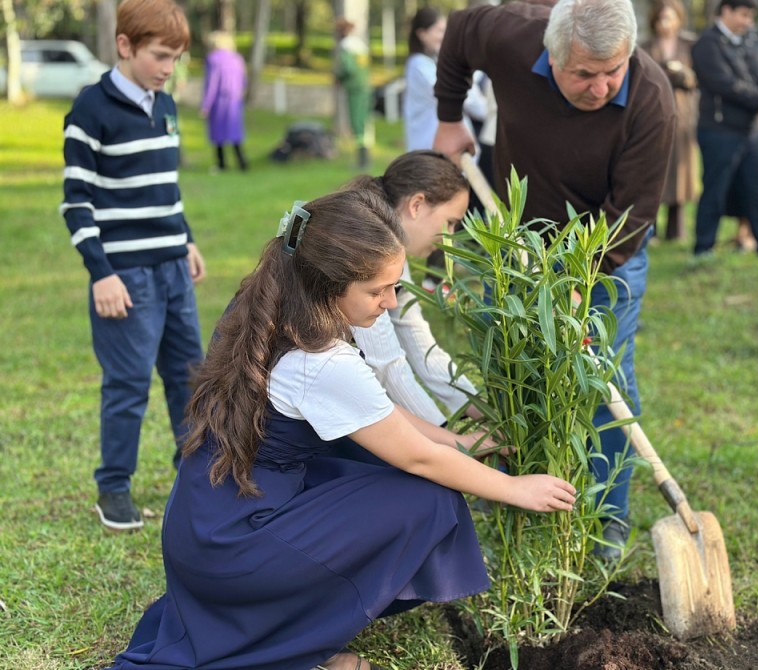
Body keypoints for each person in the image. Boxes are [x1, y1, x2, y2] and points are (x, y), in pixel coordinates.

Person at [106, 190, 576, 670]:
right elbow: (418, 457)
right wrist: (515, 488)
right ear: (330, 285)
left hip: (204, 527)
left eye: (394, 286)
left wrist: (466, 443)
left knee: (366, 462)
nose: (390, 303)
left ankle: (295, 628)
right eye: (377, 291)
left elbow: (379, 415)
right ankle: (295, 638)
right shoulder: (321, 360)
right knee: (431, 500)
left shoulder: (267, 303)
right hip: (235, 549)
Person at [432, 0, 677, 559]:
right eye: (584, 74)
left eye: (612, 70)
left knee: (602, 374)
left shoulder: (651, 100)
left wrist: (576, 279)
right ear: (551, 54)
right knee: (509, 366)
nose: (600, 86)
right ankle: (505, 499)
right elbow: (461, 28)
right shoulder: (511, 35)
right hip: (516, 237)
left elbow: (630, 217)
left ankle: (605, 516)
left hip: (604, 249)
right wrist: (449, 116)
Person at [60, 0, 204, 532]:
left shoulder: (164, 104)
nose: (168, 68)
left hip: (172, 268)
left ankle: (195, 476)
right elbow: (77, 202)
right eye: (160, 56)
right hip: (125, 277)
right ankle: (113, 488)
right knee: (127, 385)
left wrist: (184, 240)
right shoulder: (90, 110)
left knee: (191, 376)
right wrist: (101, 272)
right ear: (125, 46)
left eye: (176, 58)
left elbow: (165, 189)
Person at [350, 151, 483, 424]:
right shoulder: (368, 250)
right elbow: (386, 366)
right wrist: (447, 437)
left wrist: (480, 408)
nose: (451, 237)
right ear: (417, 205)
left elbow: (421, 347)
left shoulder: (391, 246)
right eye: (450, 222)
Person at [690, 0, 758, 259]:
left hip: (753, 129)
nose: (748, 21)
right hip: (719, 129)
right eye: (743, 15)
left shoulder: (753, 40)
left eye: (750, 16)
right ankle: (704, 247)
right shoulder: (707, 45)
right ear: (726, 11)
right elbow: (727, 85)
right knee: (715, 189)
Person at [403, 7, 487, 290]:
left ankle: (439, 278)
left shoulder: (432, 64)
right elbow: (475, 105)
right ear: (422, 34)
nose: (443, 36)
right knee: (440, 215)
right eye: (439, 30)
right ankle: (433, 280)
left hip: (446, 152)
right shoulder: (420, 65)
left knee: (448, 216)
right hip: (436, 153)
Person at [641, 0, 698, 241]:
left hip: (683, 118)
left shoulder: (690, 45)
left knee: (680, 173)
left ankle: (676, 230)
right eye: (662, 17)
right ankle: (650, 229)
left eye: (670, 17)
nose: (666, 22)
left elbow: (697, 78)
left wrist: (681, 73)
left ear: (678, 19)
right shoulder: (645, 45)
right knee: (652, 171)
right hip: (653, 116)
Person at [200, 30, 248, 172]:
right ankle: (242, 162)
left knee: (218, 133)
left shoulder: (213, 59)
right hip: (234, 101)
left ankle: (221, 163)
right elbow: (243, 81)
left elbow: (211, 84)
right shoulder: (237, 58)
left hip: (219, 101)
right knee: (234, 132)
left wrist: (206, 105)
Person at [334, 18, 373, 170]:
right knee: (363, 122)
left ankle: (362, 160)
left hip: (355, 89)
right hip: (365, 87)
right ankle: (364, 158)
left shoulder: (346, 46)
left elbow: (348, 68)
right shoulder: (360, 45)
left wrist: (338, 77)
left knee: (356, 123)